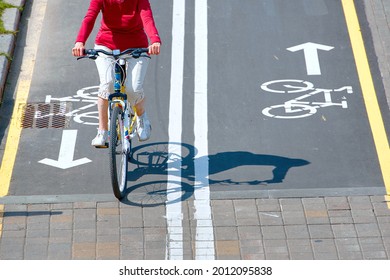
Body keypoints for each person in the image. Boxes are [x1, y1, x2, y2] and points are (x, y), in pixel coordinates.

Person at [72, 0, 161, 147]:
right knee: (107, 86)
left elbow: (147, 17)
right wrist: (80, 41)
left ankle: (141, 116)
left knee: (133, 89)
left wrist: (155, 40)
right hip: (106, 45)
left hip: (136, 47)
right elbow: (90, 16)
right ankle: (103, 132)